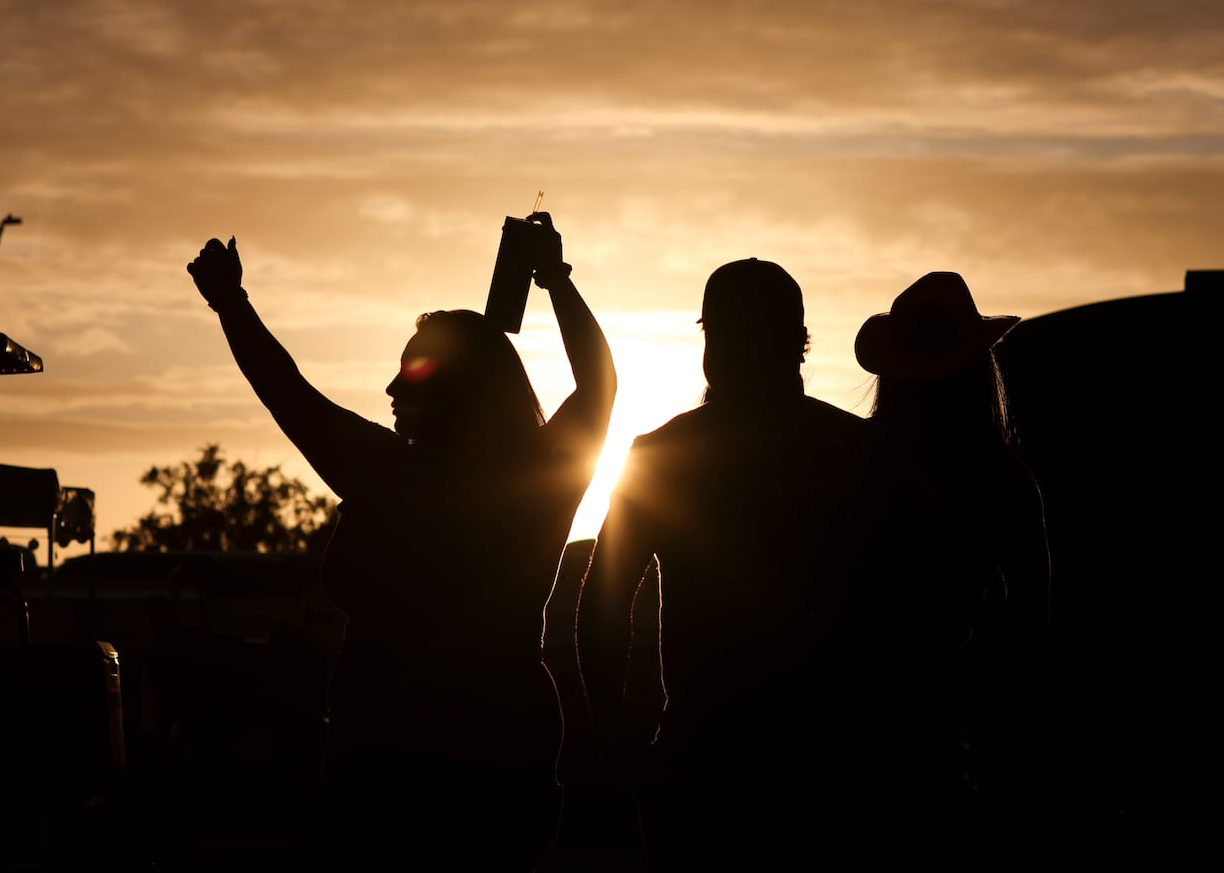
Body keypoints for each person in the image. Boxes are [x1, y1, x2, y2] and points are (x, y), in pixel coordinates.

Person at [186, 213, 616, 872]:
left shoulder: (387, 475)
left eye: (409, 374)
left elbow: (287, 393)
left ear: (455, 390)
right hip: (504, 739)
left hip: (390, 756)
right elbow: (599, 386)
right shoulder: (539, 479)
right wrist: (554, 279)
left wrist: (231, 303)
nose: (390, 389)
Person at [575, 258, 872, 872]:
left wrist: (618, 742)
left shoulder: (665, 454)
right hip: (833, 762)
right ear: (802, 341)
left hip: (719, 763)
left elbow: (601, 608)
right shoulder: (855, 449)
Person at [852, 269, 1054, 864]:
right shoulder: (1000, 479)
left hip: (852, 716)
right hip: (952, 721)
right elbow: (1032, 615)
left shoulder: (853, 461)